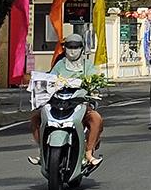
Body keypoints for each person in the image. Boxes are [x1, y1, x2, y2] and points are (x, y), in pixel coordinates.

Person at [29, 30, 105, 169]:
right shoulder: (59, 65)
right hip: (58, 103)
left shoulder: (87, 65)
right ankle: (42, 151)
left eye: (76, 47)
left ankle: (88, 153)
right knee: (35, 117)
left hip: (80, 103)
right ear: (65, 48)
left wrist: (92, 88)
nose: (72, 51)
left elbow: (95, 80)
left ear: (82, 49)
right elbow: (50, 78)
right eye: (70, 47)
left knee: (96, 119)